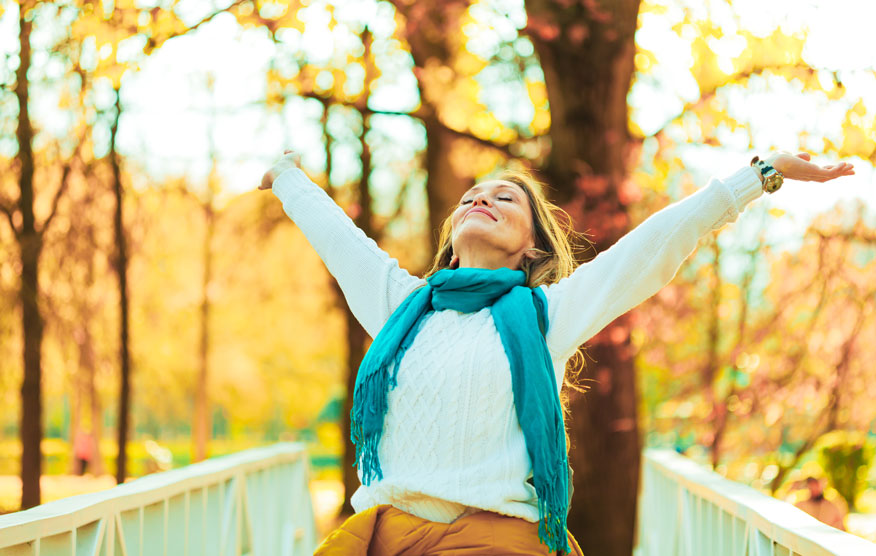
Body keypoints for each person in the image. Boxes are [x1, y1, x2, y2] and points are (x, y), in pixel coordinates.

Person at [260, 151, 854, 555]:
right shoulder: (402, 307)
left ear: (530, 245)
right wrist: (284, 174)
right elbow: (335, 234)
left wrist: (763, 173)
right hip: (384, 537)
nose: (481, 200)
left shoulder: (548, 315)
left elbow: (658, 242)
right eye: (472, 196)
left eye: (504, 200)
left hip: (490, 542)